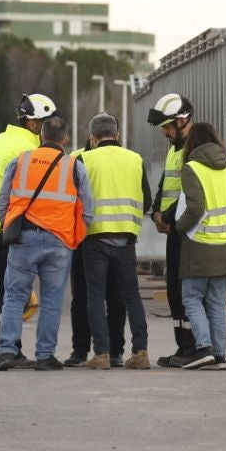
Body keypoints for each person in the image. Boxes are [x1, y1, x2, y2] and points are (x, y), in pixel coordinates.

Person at [0, 114, 92, 371]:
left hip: (24, 239)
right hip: (60, 241)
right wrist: (73, 239)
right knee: (51, 300)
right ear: (65, 139)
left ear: (41, 136)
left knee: (14, 296)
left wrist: (9, 228)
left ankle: (5, 351)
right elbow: (87, 210)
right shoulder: (74, 166)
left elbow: (2, 202)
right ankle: (45, 355)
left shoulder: (20, 162)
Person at [0, 93, 57, 363]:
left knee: (0, 293)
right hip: (20, 231)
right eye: (45, 123)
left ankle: (0, 350)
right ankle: (9, 350)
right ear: (34, 124)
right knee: (16, 293)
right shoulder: (29, 151)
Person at [75, 113, 152, 370]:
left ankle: (102, 354)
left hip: (95, 237)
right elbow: (147, 202)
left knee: (95, 296)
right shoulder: (135, 159)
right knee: (131, 295)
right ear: (117, 135)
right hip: (126, 238)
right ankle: (140, 351)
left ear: (92, 138)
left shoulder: (84, 159)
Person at [167, 121, 226, 369]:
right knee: (217, 304)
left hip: (200, 243)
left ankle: (203, 348)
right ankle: (219, 355)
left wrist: (179, 227)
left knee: (192, 298)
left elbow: (195, 207)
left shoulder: (192, 168)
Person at [65, 128, 131, 367]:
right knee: (112, 297)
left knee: (85, 296)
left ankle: (83, 351)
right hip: (115, 236)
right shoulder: (128, 158)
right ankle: (113, 352)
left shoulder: (77, 158)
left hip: (86, 237)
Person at [146, 92, 196, 359]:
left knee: (184, 290)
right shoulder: (175, 149)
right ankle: (183, 346)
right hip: (172, 228)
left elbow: (189, 192)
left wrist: (167, 218)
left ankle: (190, 347)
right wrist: (156, 212)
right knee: (174, 291)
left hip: (185, 230)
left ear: (181, 120)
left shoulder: (192, 149)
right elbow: (166, 184)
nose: (165, 132)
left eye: (167, 126)